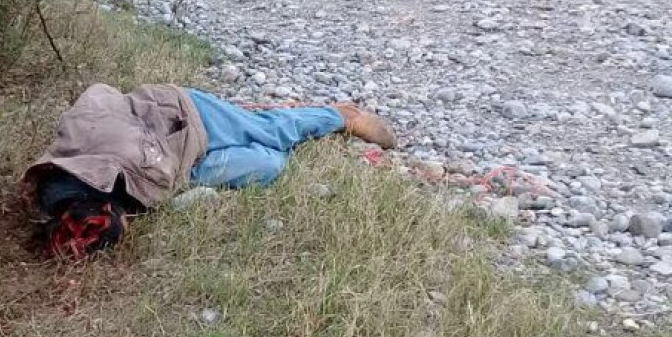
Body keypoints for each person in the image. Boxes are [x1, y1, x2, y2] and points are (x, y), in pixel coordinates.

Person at [21, 83, 397, 260]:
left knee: (270, 130)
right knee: (271, 164)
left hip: (184, 114)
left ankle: (340, 117)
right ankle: (292, 124)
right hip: (185, 164)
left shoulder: (111, 157)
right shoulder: (57, 189)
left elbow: (99, 93)